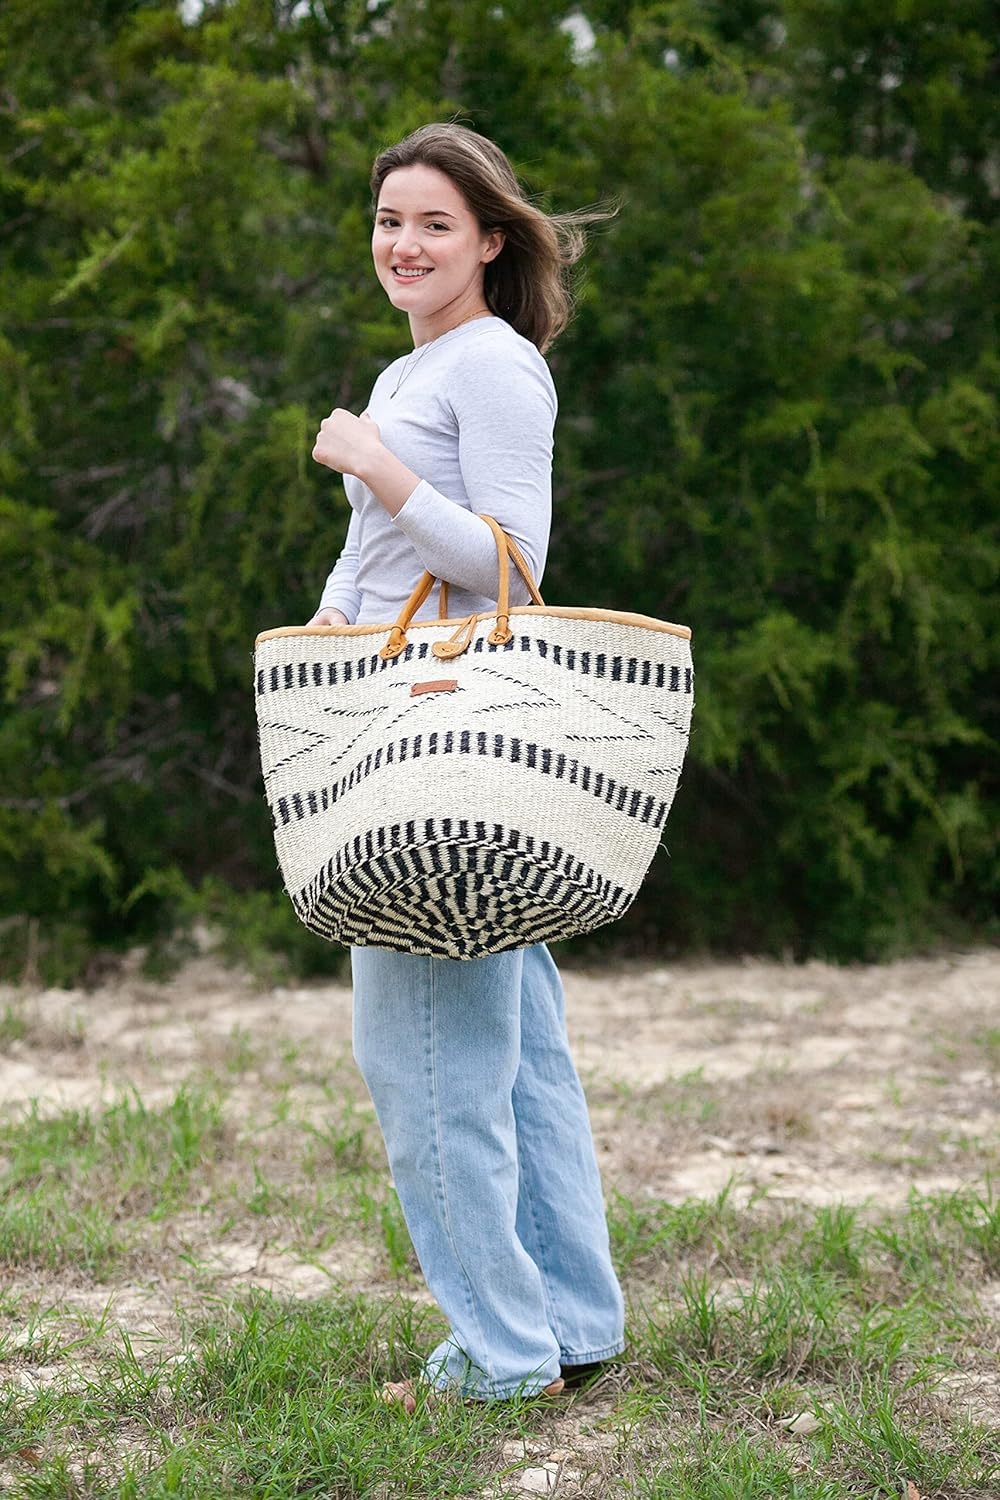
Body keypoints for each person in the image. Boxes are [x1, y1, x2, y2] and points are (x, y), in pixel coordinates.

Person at [307, 122, 624, 1407]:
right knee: (518, 1045)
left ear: (491, 240)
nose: (405, 243)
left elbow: (510, 568)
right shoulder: (414, 364)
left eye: (434, 222)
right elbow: (383, 569)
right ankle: (568, 1327)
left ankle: (498, 1359)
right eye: (390, 220)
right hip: (395, 715)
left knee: (424, 1055)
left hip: (442, 747)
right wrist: (324, 630)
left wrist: (379, 469)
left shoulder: (492, 367)